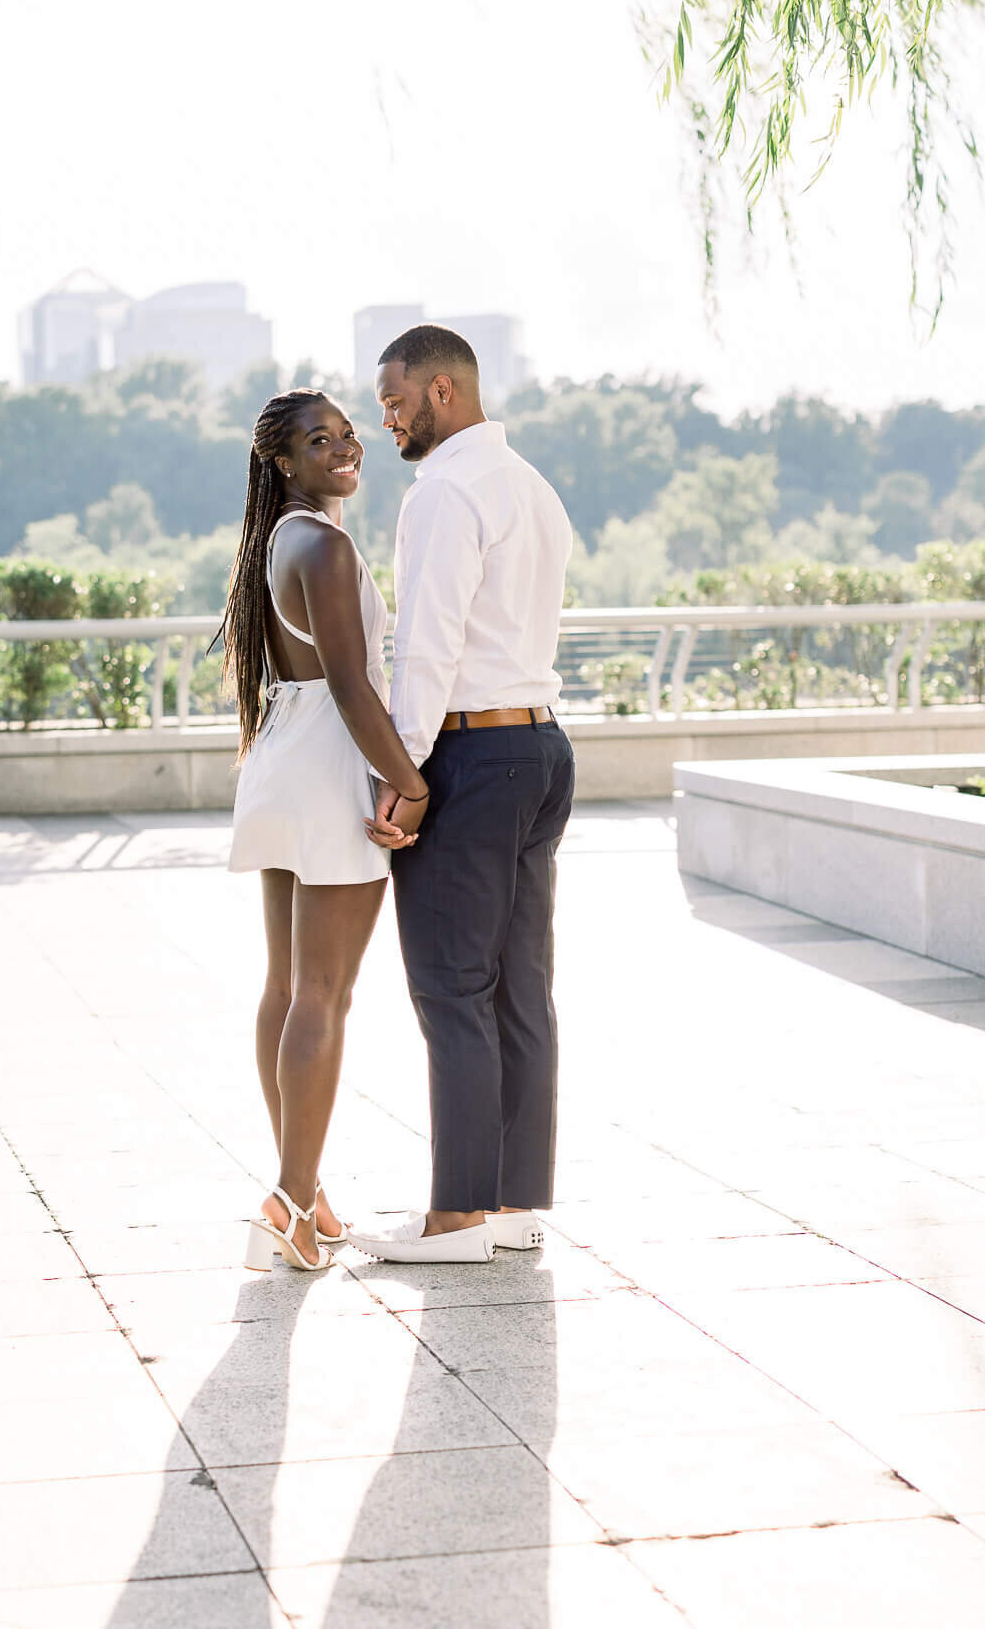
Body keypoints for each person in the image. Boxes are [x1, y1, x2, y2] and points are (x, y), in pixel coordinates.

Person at [351, 326, 575, 1265]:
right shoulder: (530, 485)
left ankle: (454, 1217)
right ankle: (515, 1205)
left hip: (471, 758)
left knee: (450, 985)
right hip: (541, 750)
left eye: (395, 402)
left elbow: (427, 646)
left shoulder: (443, 491)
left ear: (442, 391)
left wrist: (402, 778)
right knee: (521, 987)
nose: (387, 420)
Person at [221, 388, 431, 1272]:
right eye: (321, 440)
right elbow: (353, 687)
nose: (345, 448)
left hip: (279, 758)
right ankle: (288, 1197)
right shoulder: (328, 545)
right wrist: (411, 784)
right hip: (327, 768)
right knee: (323, 996)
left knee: (286, 989)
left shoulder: (280, 538)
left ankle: (302, 1193)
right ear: (283, 460)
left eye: (348, 435)